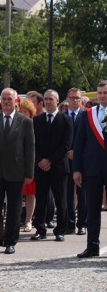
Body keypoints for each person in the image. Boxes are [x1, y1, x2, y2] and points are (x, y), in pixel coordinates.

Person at [0, 88, 35, 255]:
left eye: (10, 98)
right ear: (1, 101)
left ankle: (10, 241)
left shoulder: (25, 122)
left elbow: (29, 149)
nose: (7, 101)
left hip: (16, 172)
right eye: (4, 99)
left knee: (14, 209)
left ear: (16, 101)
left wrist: (29, 173)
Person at [31, 89, 72, 243]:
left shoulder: (66, 120)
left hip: (59, 167)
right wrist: (41, 160)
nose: (48, 102)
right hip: (41, 167)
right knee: (40, 199)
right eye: (46, 99)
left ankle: (60, 230)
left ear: (57, 100)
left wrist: (50, 160)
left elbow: (66, 145)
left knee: (61, 200)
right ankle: (40, 230)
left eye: (51, 99)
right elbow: (33, 143)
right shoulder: (37, 120)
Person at [72, 80, 107, 258]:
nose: (102, 95)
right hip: (91, 168)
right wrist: (77, 169)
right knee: (92, 210)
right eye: (100, 92)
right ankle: (92, 246)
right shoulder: (88, 114)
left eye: (105, 93)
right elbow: (79, 144)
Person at [65, 88, 86, 235]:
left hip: (82, 161)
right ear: (67, 98)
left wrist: (77, 153)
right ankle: (70, 223)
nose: (75, 100)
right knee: (67, 194)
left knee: (82, 194)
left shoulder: (86, 116)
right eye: (72, 98)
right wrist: (67, 153)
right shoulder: (61, 116)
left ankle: (82, 224)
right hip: (65, 160)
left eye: (77, 98)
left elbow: (89, 140)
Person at [18, 99, 37, 232]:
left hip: (30, 164)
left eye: (25, 112)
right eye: (21, 111)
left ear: (31, 114)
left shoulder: (33, 125)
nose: (23, 114)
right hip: (16, 164)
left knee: (30, 194)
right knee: (16, 194)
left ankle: (28, 220)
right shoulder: (14, 125)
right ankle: (15, 219)